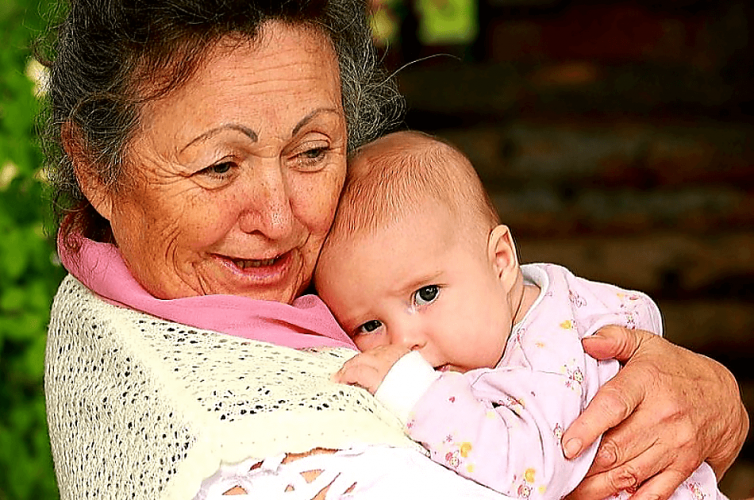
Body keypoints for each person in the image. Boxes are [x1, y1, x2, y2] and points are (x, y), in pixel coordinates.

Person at [39, 0, 748, 499]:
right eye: (220, 166)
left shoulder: (248, 286)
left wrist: (705, 391)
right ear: (98, 168)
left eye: (312, 151)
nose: (281, 219)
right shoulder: (212, 423)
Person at [314, 131, 726, 500]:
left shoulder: (550, 351)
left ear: (500, 261)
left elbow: (533, 474)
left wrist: (415, 393)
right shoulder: (530, 315)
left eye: (426, 294)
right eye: (369, 325)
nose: (404, 342)